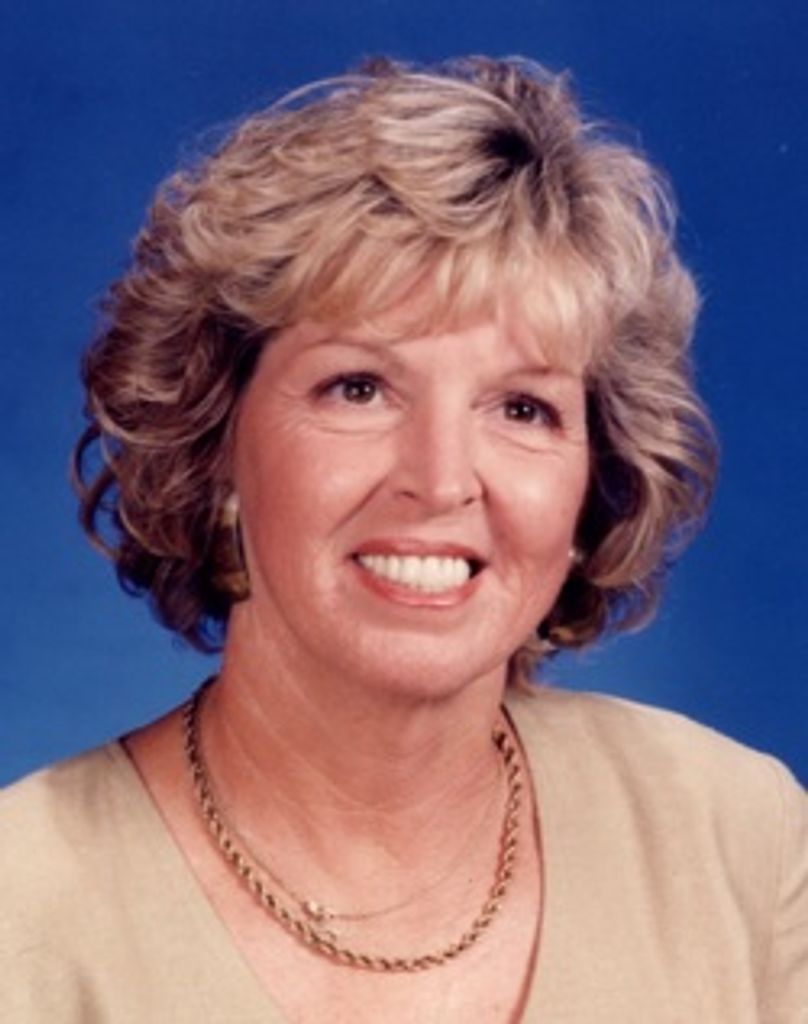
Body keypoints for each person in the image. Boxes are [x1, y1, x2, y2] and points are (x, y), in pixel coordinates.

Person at [1, 56, 805, 1023]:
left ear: (596, 482)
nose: (441, 476)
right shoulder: (23, 911)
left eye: (522, 407)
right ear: (216, 442)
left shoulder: (739, 842)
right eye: (359, 388)